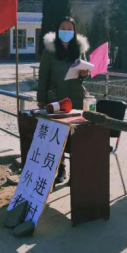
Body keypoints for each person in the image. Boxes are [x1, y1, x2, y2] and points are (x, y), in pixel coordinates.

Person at [37, 16, 90, 183]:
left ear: (74, 31)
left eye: (69, 29)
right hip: (56, 98)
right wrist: (41, 99)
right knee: (56, 136)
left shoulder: (79, 49)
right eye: (63, 28)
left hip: (76, 98)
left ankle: (76, 172)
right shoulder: (50, 50)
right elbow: (43, 76)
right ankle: (61, 169)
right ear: (58, 30)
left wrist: (84, 74)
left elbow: (83, 73)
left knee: (75, 136)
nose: (66, 32)